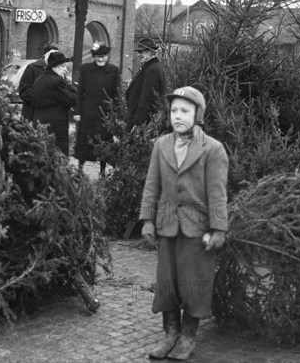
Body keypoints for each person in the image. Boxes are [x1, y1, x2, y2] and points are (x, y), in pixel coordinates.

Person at [139, 86, 228, 360]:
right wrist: (147, 221)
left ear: (198, 114)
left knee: (194, 283)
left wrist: (218, 229)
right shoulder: (161, 145)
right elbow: (151, 186)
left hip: (197, 229)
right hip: (167, 226)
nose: (178, 116)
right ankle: (170, 334)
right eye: (174, 110)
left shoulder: (212, 149)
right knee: (167, 282)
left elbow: (217, 193)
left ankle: (188, 337)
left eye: (185, 111)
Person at [73, 42, 121, 176]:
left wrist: (115, 114)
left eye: (103, 56)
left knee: (104, 142)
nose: (101, 59)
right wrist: (77, 112)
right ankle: (79, 169)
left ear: (107, 56)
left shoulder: (114, 71)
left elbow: (117, 94)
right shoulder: (86, 69)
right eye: (98, 56)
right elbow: (80, 92)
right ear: (94, 56)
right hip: (88, 113)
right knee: (84, 142)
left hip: (105, 114)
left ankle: (102, 171)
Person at [31, 51, 78, 156]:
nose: (65, 69)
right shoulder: (57, 81)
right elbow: (72, 100)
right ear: (55, 67)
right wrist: (70, 85)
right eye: (63, 66)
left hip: (39, 125)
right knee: (57, 161)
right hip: (55, 128)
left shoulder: (39, 80)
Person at [125, 37, 167, 132]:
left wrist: (137, 123)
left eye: (142, 52)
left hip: (143, 124)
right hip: (143, 121)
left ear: (151, 52)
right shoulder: (151, 67)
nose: (139, 55)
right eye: (138, 52)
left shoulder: (152, 70)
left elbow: (147, 99)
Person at [18, 42, 59, 120]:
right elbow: (24, 91)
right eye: (51, 54)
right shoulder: (32, 68)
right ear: (45, 55)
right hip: (33, 113)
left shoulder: (57, 70)